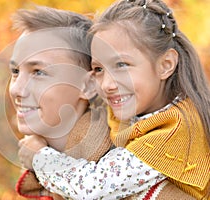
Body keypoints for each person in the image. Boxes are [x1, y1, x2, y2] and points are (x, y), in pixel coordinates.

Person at [17, 0, 210, 199]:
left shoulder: (176, 129)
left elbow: (93, 188)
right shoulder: (137, 110)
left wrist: (40, 157)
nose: (107, 84)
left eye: (121, 65)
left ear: (165, 65)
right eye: (99, 69)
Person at [10, 6, 113, 199]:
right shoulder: (40, 178)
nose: (16, 89)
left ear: (89, 85)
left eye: (38, 72)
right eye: (15, 72)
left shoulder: (120, 171)